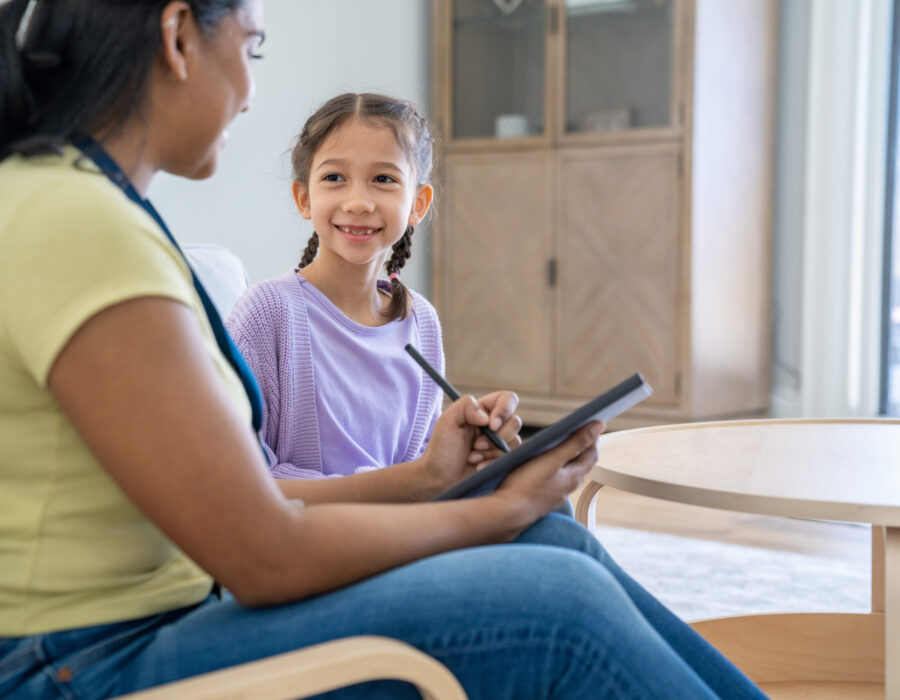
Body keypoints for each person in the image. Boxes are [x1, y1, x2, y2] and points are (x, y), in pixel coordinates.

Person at [0, 1, 769, 699]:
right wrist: (490, 513)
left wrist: (449, 484)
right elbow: (264, 554)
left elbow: (245, 512)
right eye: (253, 50)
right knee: (559, 608)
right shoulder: (77, 222)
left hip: (139, 623)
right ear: (177, 38)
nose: (250, 89)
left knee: (552, 537)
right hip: (77, 663)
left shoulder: (87, 206)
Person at [226, 93, 502, 480]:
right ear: (304, 198)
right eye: (334, 178)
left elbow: (424, 467)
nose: (358, 202)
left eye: (384, 179)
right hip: (317, 535)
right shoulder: (267, 312)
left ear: (417, 205)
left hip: (408, 526)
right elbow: (243, 477)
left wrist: (467, 452)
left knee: (552, 508)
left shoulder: (421, 321)